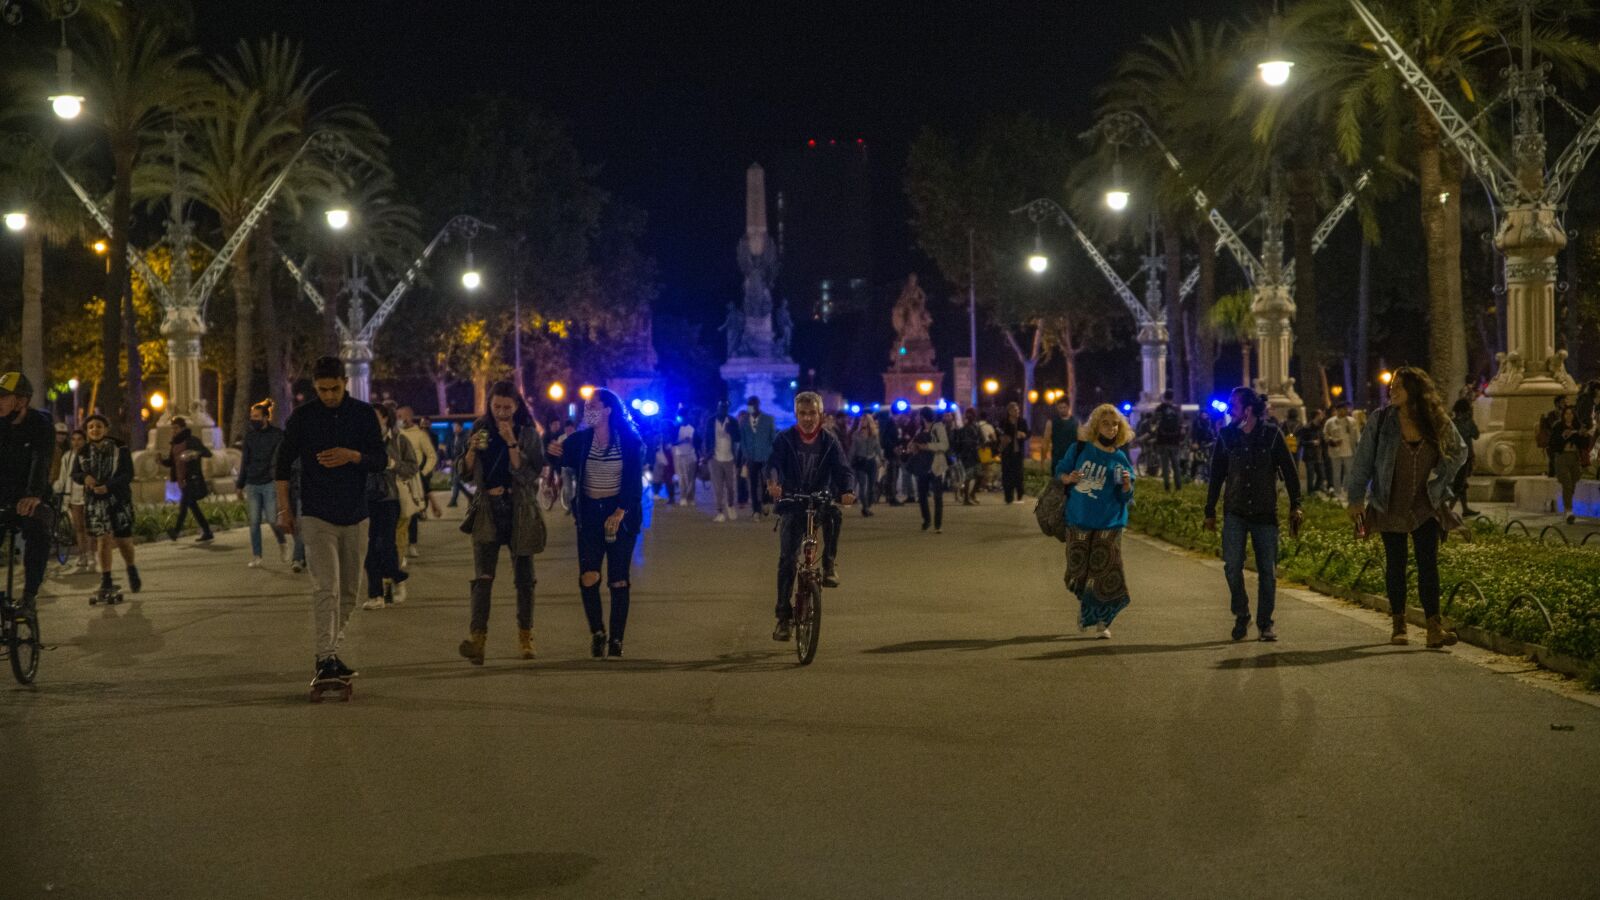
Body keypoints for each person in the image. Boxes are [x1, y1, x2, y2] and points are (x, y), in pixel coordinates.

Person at [275, 356, 388, 685]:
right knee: (327, 587)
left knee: (350, 591)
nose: (328, 395)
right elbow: (282, 465)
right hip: (316, 514)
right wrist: (285, 510)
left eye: (334, 389)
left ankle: (330, 653)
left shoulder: (363, 414)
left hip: (356, 514)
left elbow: (380, 460)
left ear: (345, 383)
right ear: (314, 386)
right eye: (322, 390)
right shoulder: (303, 417)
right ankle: (325, 659)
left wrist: (352, 456)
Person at [1346, 366, 1468, 649]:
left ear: (1414, 389)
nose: (1393, 390)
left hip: (1426, 505)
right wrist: (1355, 500)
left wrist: (1441, 477)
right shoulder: (1381, 420)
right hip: (1389, 503)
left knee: (1429, 565)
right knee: (1396, 564)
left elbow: (1460, 450)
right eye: (1392, 385)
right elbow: (1363, 461)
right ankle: (1399, 625)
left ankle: (1434, 628)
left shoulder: (1435, 420)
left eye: (1399, 386)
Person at [546, 388, 643, 659]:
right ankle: (598, 632)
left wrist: (620, 511)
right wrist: (552, 452)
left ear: (608, 410)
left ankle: (616, 639)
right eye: (586, 407)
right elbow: (558, 459)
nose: (587, 411)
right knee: (589, 577)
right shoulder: (580, 440)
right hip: (590, 515)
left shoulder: (628, 441)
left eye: (592, 406)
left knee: (618, 580)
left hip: (620, 515)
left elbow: (634, 483)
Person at [455, 382, 546, 664]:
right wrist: (471, 451)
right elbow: (465, 474)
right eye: (497, 407)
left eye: (507, 407)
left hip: (520, 510)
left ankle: (526, 637)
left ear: (517, 406)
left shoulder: (528, 433)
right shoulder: (480, 428)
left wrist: (511, 442)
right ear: (490, 405)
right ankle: (477, 640)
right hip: (487, 510)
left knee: (524, 580)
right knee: (483, 578)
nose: (502, 412)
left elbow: (529, 474)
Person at [1203, 387, 1303, 642]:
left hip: (1264, 513)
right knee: (1231, 566)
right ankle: (1242, 613)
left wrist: (1296, 505)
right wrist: (1209, 511)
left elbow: (1290, 472)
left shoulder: (1271, 434)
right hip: (1235, 511)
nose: (1229, 408)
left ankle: (1265, 623)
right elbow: (1216, 476)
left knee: (1267, 572)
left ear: (1248, 409)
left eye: (1233, 404)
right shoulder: (1226, 436)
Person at [765, 392, 855, 641]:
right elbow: (773, 464)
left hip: (819, 499)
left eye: (812, 413)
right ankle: (783, 618)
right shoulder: (784, 439)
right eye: (803, 413)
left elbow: (843, 469)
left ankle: (829, 565)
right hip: (792, 501)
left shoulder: (829, 440)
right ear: (796, 415)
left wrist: (847, 490)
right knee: (787, 560)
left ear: (820, 415)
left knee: (835, 515)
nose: (807, 418)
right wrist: (773, 483)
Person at [1055, 403, 1137, 638]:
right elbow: (1060, 471)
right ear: (1095, 426)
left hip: (1110, 523)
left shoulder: (1120, 458)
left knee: (1105, 572)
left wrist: (1126, 485)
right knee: (1078, 573)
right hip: (1078, 519)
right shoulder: (1080, 449)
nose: (1111, 428)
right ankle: (1087, 608)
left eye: (1115, 424)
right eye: (1105, 423)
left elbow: (1126, 496)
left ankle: (1102, 620)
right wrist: (1068, 478)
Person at [0, 372, 57, 611]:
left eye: (3, 397)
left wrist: (33, 494)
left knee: (38, 529)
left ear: (21, 401)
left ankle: (29, 594)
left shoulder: (40, 424)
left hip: (30, 496)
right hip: (3, 495)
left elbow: (40, 459)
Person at [74, 413, 141, 598]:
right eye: (91, 427)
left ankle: (131, 568)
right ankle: (106, 579)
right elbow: (75, 473)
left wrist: (109, 486)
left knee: (123, 541)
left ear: (106, 429)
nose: (95, 429)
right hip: (95, 502)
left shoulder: (120, 448)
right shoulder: (83, 452)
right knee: (103, 539)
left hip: (118, 500)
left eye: (98, 426)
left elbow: (128, 474)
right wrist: (84, 478)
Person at [361, 403, 419, 610]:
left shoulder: (399, 440)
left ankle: (396, 578)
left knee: (385, 544)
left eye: (374, 416)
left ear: (385, 418)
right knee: (368, 548)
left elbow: (412, 467)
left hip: (389, 498)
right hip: (365, 498)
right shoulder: (360, 441)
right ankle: (376, 595)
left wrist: (393, 465)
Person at [236, 400, 290, 568]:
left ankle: (282, 542)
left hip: (269, 482)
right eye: (252, 417)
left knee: (273, 519)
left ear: (266, 417)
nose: (253, 420)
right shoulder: (250, 437)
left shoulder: (277, 434)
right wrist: (240, 484)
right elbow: (245, 461)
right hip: (252, 483)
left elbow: (283, 458)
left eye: (257, 416)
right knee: (254, 522)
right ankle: (257, 555)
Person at [161, 416, 214, 542]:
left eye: (176, 428)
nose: (174, 431)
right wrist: (161, 461)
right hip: (182, 481)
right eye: (172, 428)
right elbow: (172, 462)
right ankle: (207, 531)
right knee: (193, 506)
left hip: (191, 479)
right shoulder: (174, 443)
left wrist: (195, 453)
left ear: (183, 428)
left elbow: (207, 453)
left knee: (184, 507)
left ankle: (175, 532)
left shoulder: (192, 441)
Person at [396, 405, 438, 560]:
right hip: (397, 478)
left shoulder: (420, 435)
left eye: (402, 416)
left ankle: (412, 543)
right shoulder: (396, 434)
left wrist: (422, 473)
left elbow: (432, 456)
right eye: (398, 416)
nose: (400, 419)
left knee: (412, 512)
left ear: (410, 417)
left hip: (414, 478)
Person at [53, 427, 91, 571]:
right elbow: (63, 477)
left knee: (89, 527)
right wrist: (57, 489)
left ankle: (91, 555)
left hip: (88, 495)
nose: (76, 442)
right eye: (73, 439)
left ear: (85, 441)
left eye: (79, 439)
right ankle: (82, 555)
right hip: (73, 496)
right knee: (79, 527)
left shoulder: (90, 455)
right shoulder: (67, 456)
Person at [911, 406, 949, 533]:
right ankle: (926, 520)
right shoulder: (920, 430)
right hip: (923, 465)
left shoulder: (938, 427)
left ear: (922, 417)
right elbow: (914, 443)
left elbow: (945, 445)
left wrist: (927, 446)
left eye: (919, 416)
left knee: (937, 496)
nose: (917, 419)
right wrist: (913, 447)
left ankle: (938, 525)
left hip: (936, 465)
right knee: (922, 494)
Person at [1549, 405, 1589, 526]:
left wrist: (1583, 436)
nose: (1569, 416)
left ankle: (1567, 508)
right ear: (1563, 415)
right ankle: (1569, 510)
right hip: (1562, 457)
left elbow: (1584, 445)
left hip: (1574, 457)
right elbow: (1553, 443)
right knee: (1566, 483)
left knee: (1573, 482)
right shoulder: (1558, 426)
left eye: (1571, 414)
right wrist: (1564, 436)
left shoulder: (1577, 426)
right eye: (1567, 413)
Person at [739, 396, 776, 520]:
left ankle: (765, 502)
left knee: (766, 482)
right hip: (751, 457)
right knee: (753, 484)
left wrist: (771, 454)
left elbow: (773, 438)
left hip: (765, 457)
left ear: (758, 405)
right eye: (750, 405)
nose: (752, 408)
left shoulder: (768, 419)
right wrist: (746, 454)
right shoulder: (744, 421)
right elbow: (743, 440)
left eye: (754, 405)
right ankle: (756, 510)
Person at [705, 400, 741, 522]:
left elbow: (738, 438)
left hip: (729, 458)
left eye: (725, 408)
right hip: (715, 458)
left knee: (731, 487)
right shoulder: (711, 421)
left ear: (727, 409)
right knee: (718, 487)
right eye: (721, 407)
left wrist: (731, 431)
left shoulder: (733, 421)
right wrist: (707, 454)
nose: (723, 410)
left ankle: (730, 505)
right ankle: (719, 511)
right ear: (718, 407)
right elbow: (706, 438)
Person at [1449, 397, 1480, 517]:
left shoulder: (1452, 423)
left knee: (1462, 483)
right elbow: (1476, 435)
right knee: (1459, 485)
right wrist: (1471, 421)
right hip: (1464, 457)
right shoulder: (1466, 423)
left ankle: (1465, 509)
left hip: (1457, 457)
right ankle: (1448, 511)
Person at [1323, 402, 1359, 500]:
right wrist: (1332, 440)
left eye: (1346, 409)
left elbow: (1356, 436)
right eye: (1344, 409)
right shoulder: (1330, 422)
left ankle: (1347, 491)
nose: (1346, 411)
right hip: (1335, 451)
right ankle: (1337, 492)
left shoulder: (1352, 421)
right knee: (1336, 473)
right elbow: (1325, 435)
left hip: (1349, 450)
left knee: (1350, 472)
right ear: (1338, 410)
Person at [1151, 390, 1186, 491]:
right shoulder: (1177, 409)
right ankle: (1178, 486)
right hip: (1175, 441)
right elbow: (1182, 424)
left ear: (1164, 397)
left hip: (1162, 441)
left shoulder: (1159, 409)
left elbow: (1153, 422)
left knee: (1165, 466)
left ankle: (1167, 487)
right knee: (1176, 465)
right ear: (1172, 397)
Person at [997, 401, 1031, 504]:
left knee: (1018, 474)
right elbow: (998, 433)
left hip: (1018, 452)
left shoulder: (1022, 421)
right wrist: (1003, 437)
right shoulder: (1004, 422)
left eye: (1018, 410)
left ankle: (1020, 494)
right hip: (1007, 452)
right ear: (1010, 411)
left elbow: (1028, 432)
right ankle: (1008, 497)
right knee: (1007, 474)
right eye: (1015, 410)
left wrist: (1024, 435)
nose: (1017, 412)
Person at [850, 412, 882, 516]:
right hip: (860, 461)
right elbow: (853, 450)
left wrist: (881, 458)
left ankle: (868, 504)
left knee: (871, 486)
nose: (863, 422)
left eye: (865, 420)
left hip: (871, 461)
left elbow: (878, 447)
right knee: (863, 486)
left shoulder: (874, 434)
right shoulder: (856, 434)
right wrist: (848, 462)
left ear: (869, 422)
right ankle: (865, 507)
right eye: (862, 420)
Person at [952, 409, 983, 505]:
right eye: (968, 414)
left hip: (975, 454)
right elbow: (958, 443)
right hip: (966, 455)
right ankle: (966, 498)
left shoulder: (977, 427)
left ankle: (972, 494)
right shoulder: (963, 429)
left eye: (971, 414)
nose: (969, 416)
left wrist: (979, 445)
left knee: (980, 475)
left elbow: (982, 439)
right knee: (968, 477)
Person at [1044, 397, 1080, 475]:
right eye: (1060, 408)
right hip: (1057, 460)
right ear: (1057, 408)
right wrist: (1042, 461)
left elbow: (1080, 442)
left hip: (1072, 460)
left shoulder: (1076, 423)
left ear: (1068, 407)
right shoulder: (1051, 422)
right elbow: (1045, 441)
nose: (1062, 410)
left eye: (1064, 407)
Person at [671, 410, 698, 506]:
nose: (682, 419)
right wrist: (683, 440)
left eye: (684, 417)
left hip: (691, 454)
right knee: (682, 477)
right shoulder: (676, 428)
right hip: (680, 455)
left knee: (691, 478)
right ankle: (683, 497)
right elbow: (672, 442)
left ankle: (691, 497)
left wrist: (691, 441)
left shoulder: (692, 428)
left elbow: (697, 442)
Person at [876, 409, 902, 505]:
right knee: (892, 475)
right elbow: (886, 439)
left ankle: (889, 495)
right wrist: (894, 447)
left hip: (890, 452)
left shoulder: (887, 423)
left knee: (890, 475)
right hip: (891, 453)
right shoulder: (890, 423)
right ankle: (891, 497)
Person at [1536, 396, 1566, 478]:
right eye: (1563, 402)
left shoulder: (1566, 414)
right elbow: (1553, 426)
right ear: (1557, 404)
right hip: (1552, 441)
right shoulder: (1551, 414)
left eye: (1565, 402)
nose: (1565, 404)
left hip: (1561, 441)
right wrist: (1561, 419)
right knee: (1554, 460)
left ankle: (1554, 475)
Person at [446, 421, 472, 508]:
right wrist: (448, 459)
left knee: (456, 480)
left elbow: (467, 450)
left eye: (456, 426)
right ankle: (469, 496)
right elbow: (448, 449)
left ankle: (453, 500)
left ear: (461, 427)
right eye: (454, 426)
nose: (454, 428)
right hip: (453, 463)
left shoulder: (465, 437)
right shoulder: (451, 437)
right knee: (455, 482)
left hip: (461, 463)